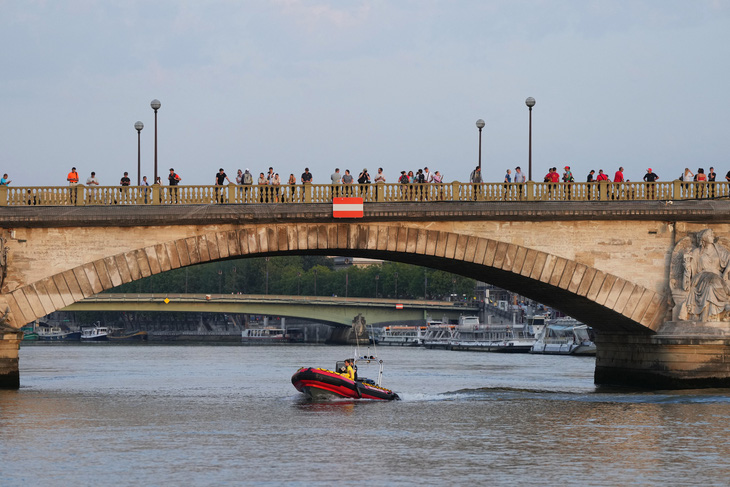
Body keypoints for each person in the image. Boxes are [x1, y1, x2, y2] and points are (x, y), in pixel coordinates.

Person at [681, 228, 730, 321]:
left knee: (712, 285)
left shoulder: (720, 250)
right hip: (701, 278)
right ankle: (711, 315)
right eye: (709, 235)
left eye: (712, 234)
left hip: (717, 278)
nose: (712, 236)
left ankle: (712, 315)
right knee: (711, 284)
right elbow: (691, 271)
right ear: (703, 239)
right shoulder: (697, 252)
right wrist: (687, 265)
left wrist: (726, 272)